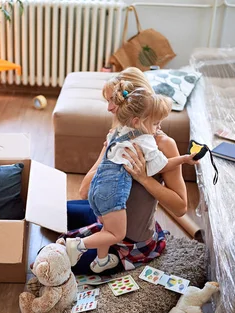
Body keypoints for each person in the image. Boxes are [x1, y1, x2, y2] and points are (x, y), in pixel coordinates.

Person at [64, 68, 195, 274]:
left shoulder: (163, 145)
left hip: (130, 241)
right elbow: (84, 192)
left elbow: (180, 208)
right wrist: (106, 152)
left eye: (112, 101)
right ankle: (94, 238)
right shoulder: (118, 137)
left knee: (57, 254)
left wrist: (144, 178)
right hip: (106, 217)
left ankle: (100, 251)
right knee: (59, 213)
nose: (108, 108)